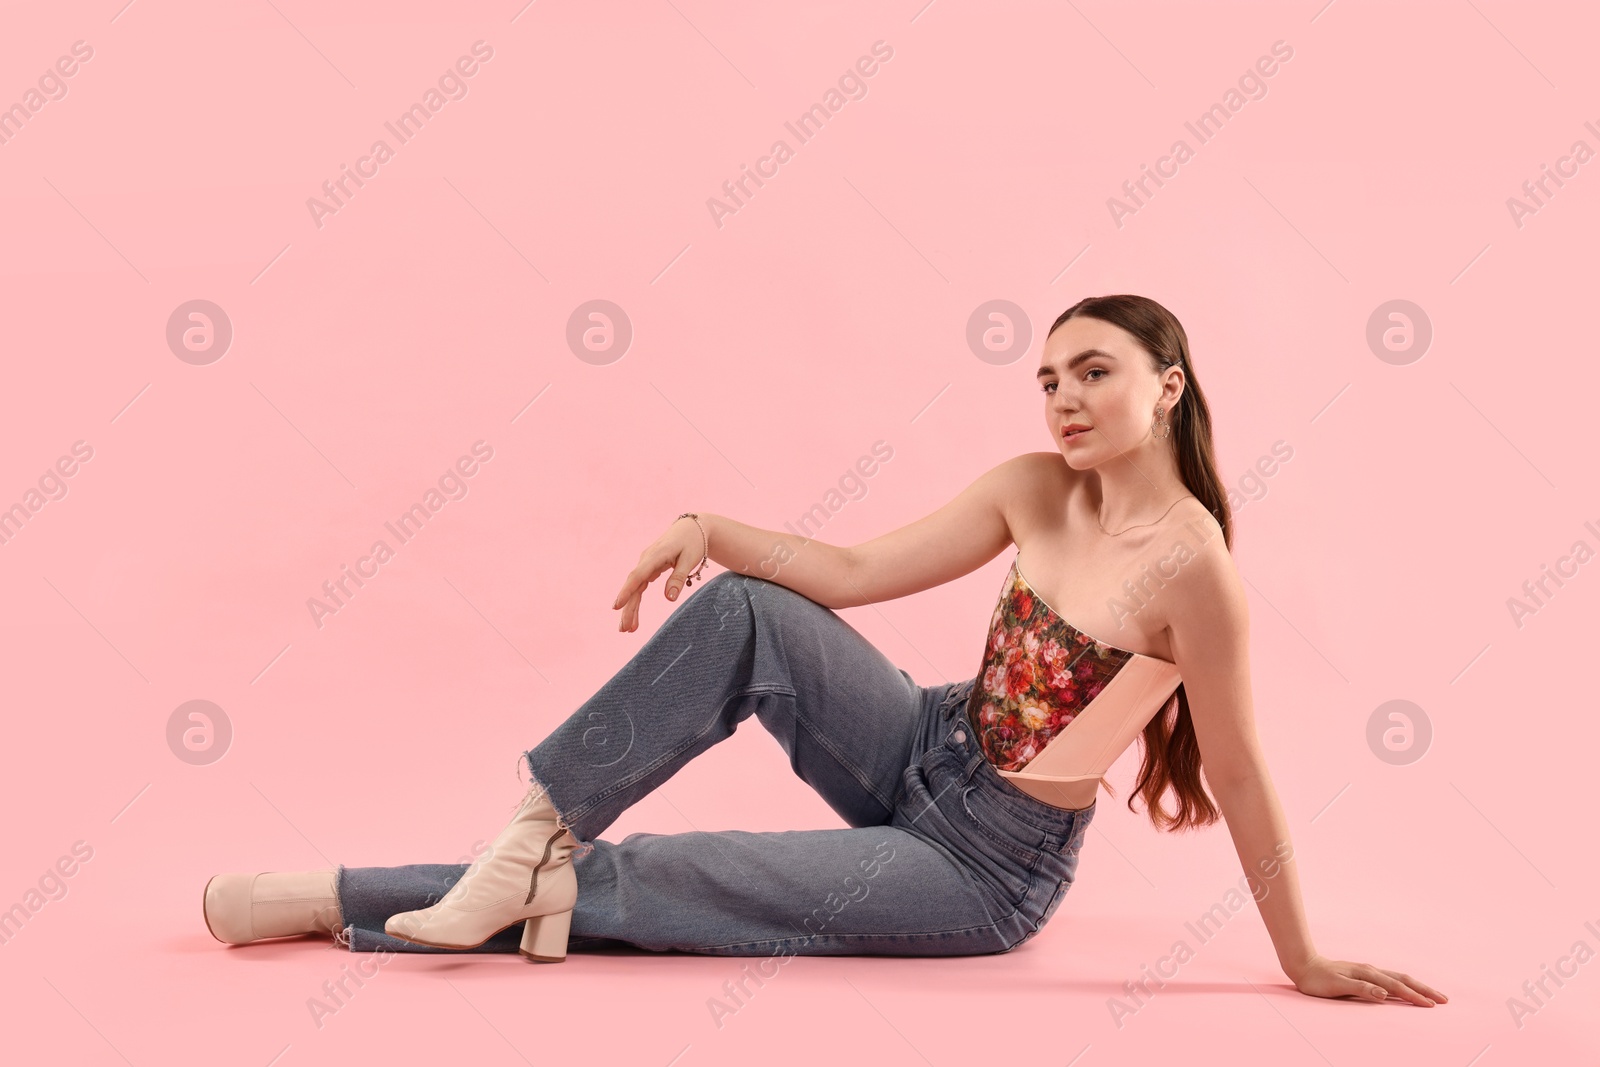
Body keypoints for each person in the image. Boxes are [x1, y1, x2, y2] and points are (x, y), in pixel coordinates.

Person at [202, 294, 1446, 1006]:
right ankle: (527, 831)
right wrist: (708, 527)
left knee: (678, 873)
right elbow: (848, 574)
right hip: (919, 739)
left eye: (1094, 372)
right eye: (1047, 377)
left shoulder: (1196, 572)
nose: (1061, 398)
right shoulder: (1032, 484)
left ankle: (328, 895)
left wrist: (1301, 956)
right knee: (748, 608)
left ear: (1168, 386)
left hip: (981, 864)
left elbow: (1237, 772)